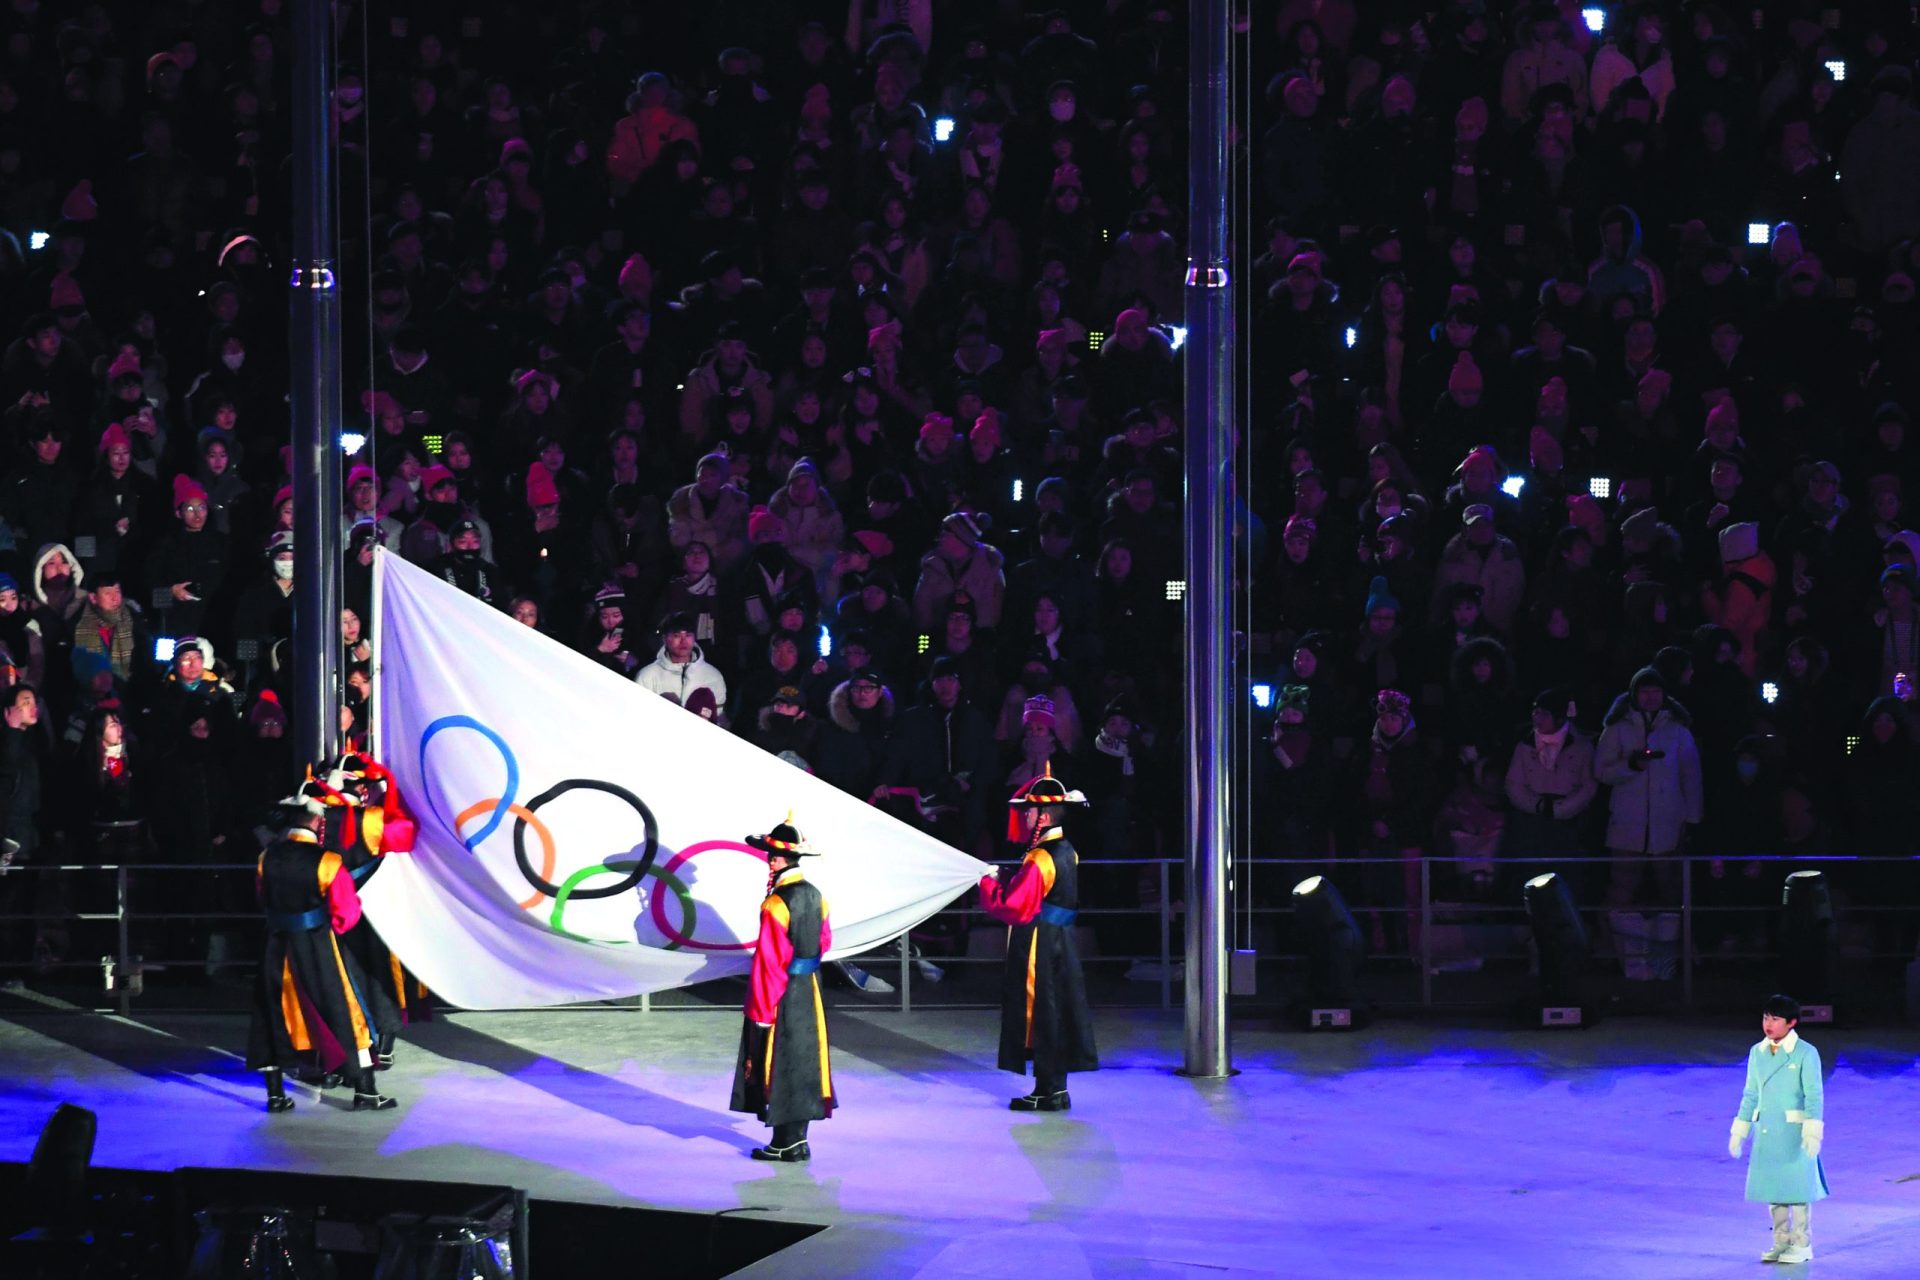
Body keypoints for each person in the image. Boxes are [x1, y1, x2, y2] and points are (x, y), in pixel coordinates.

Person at [243, 791, 396, 1113]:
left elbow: (262, 898)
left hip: (275, 946)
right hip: (316, 947)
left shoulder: (266, 857)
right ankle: (365, 1091)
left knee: (273, 1015)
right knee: (346, 1012)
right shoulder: (327, 861)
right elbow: (347, 914)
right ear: (316, 822)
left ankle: (275, 1095)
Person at [977, 765, 1099, 1111]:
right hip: (1062, 940)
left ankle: (1047, 1090)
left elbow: (1016, 906)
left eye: (1029, 810)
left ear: (1044, 815)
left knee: (1042, 1012)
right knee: (1057, 1011)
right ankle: (1054, 1088)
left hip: (1040, 943)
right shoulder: (1065, 850)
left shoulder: (1041, 857)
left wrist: (988, 884)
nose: (1025, 815)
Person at [730, 816, 834, 1162]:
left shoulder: (776, 903)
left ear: (777, 860)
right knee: (805, 1061)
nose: (768, 860)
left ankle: (784, 1143)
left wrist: (761, 1011)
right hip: (809, 989)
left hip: (783, 991)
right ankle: (796, 1141)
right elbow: (824, 942)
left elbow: (769, 962)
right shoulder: (817, 896)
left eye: (771, 855)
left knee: (780, 1062)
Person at [1728, 994, 1828, 1265]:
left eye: (1775, 1019)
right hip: (1768, 1130)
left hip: (1794, 1133)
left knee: (1797, 1191)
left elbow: (1814, 1096)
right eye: (1765, 1017)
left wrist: (1811, 1131)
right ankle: (1781, 1241)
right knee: (1774, 1190)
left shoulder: (1806, 1053)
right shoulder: (1757, 1052)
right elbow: (1751, 1093)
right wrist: (1740, 1130)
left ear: (1791, 1023)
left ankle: (1802, 1243)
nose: (1768, 1024)